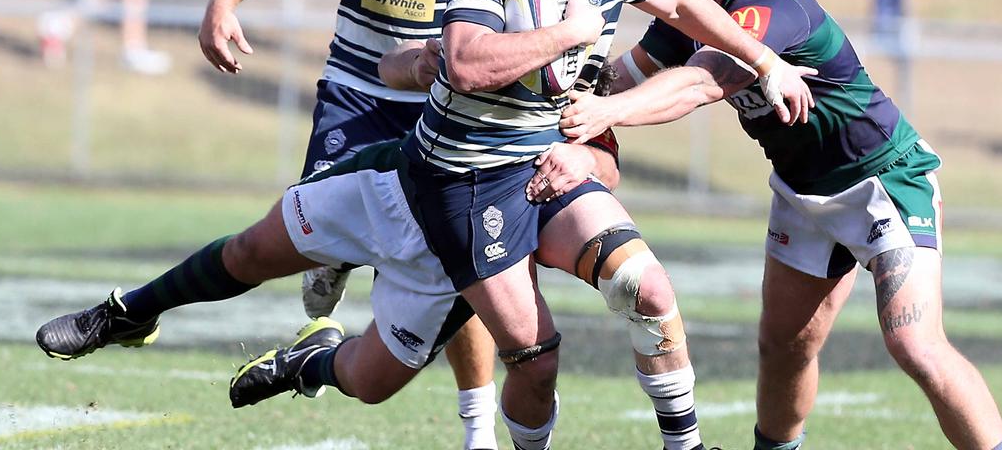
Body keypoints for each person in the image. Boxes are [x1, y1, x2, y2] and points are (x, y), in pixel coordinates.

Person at [398, 0, 813, 450]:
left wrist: (766, 61)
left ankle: (686, 448)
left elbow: (681, 5)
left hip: (542, 166)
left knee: (646, 289)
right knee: (532, 365)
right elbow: (465, 62)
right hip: (466, 178)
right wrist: (568, 34)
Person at [558, 0, 1002, 450]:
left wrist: (604, 113)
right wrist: (547, 96)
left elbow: (700, 84)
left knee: (915, 346)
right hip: (802, 193)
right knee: (783, 347)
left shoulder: (772, 5)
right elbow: (623, 74)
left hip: (884, 182)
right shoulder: (693, 12)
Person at [34, 41, 621, 450]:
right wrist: (424, 63)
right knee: (251, 251)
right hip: (391, 182)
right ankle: (130, 312)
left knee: (370, 385)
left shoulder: (584, 56)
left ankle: (306, 363)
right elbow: (396, 66)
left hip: (461, 243)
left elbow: (609, 159)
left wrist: (583, 152)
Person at [197, 0, 524, 449]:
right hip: (355, 92)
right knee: (314, 230)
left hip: (445, 111)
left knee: (460, 271)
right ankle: (329, 272)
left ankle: (476, 433)